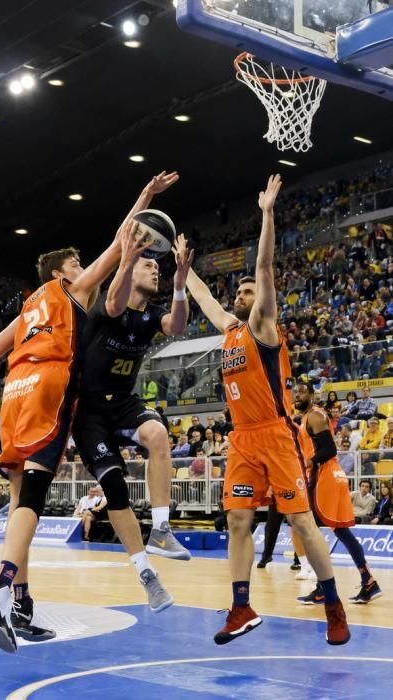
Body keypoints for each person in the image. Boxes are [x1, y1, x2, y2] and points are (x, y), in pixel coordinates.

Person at [0, 171, 178, 651]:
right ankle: (0, 584)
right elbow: (121, 240)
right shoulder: (71, 291)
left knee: (17, 504)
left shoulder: (27, 308)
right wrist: (146, 197)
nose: (81, 265)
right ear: (61, 273)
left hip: (13, 393)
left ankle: (19, 607)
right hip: (48, 387)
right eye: (75, 262)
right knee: (33, 495)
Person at [186, 174, 350, 646]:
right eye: (235, 294)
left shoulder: (264, 325)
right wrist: (183, 271)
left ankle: (334, 604)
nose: (239, 296)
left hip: (276, 435)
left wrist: (267, 215)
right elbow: (203, 299)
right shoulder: (230, 331)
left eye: (244, 292)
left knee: (301, 520)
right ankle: (241, 606)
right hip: (242, 439)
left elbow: (264, 267)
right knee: (238, 520)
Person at [72, 230, 194, 614]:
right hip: (89, 411)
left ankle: (161, 527)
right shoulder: (110, 305)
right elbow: (112, 298)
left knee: (159, 435)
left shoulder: (152, 315)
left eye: (157, 267)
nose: (154, 270)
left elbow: (176, 327)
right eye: (148, 265)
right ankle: (146, 575)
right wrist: (128, 256)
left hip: (123, 402)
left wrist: (178, 285)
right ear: (130, 269)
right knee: (114, 487)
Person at [294, 381, 381, 604]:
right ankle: (368, 581)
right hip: (330, 475)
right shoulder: (306, 418)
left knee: (310, 530)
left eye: (302, 392)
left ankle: (323, 587)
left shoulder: (315, 415)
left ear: (312, 395)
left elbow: (329, 449)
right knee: (340, 532)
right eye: (295, 392)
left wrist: (309, 462)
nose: (297, 395)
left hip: (325, 475)